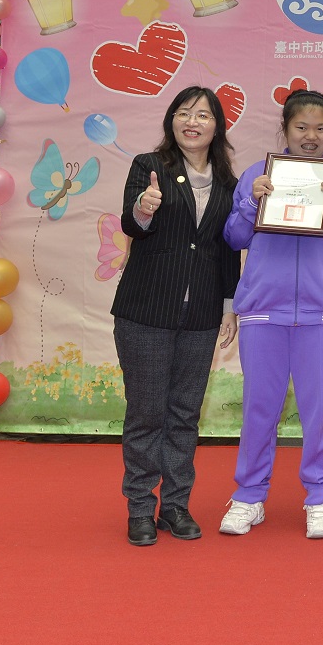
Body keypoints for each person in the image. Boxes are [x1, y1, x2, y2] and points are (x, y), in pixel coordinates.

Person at [219, 89, 323, 540]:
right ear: (284, 129)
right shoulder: (256, 175)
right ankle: (249, 496)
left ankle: (321, 496)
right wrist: (251, 201)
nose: (311, 136)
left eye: (320, 128)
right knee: (258, 409)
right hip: (264, 310)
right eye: (301, 127)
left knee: (320, 412)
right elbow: (234, 238)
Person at [112, 86, 241, 547]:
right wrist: (143, 209)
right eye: (184, 113)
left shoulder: (228, 183)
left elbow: (228, 250)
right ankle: (140, 508)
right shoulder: (149, 166)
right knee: (146, 413)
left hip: (202, 314)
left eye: (203, 115)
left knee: (185, 414)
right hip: (146, 309)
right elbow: (131, 224)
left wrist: (228, 307)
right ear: (171, 120)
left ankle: (176, 506)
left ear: (216, 126)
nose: (193, 122)